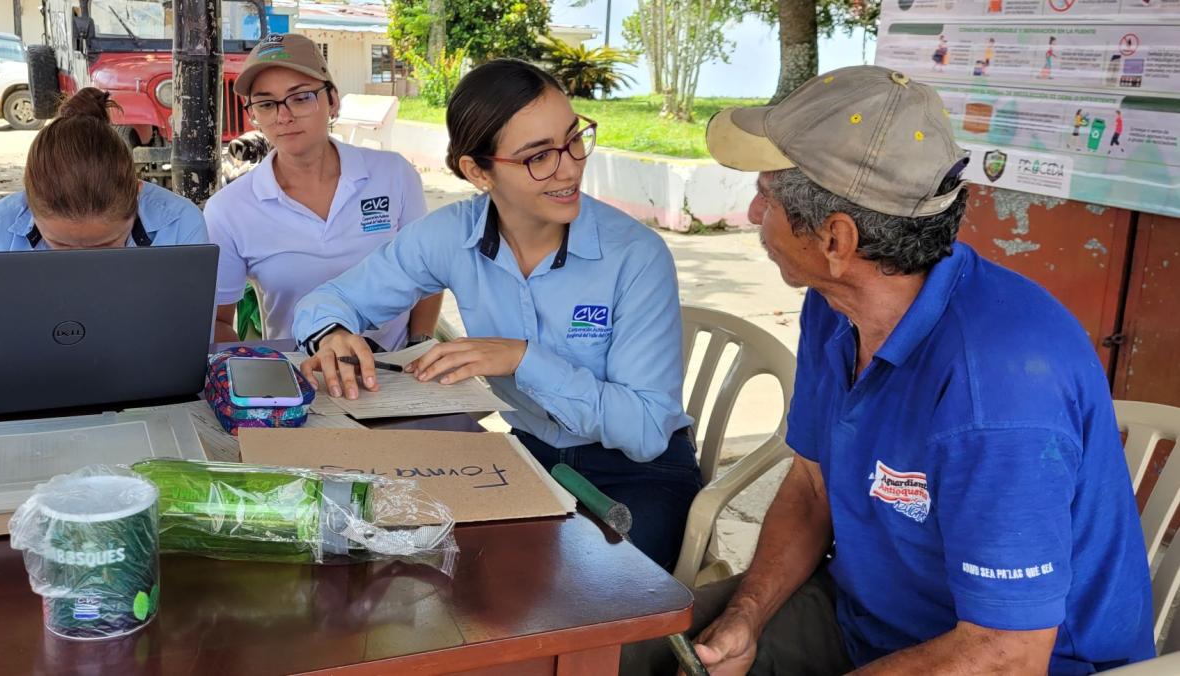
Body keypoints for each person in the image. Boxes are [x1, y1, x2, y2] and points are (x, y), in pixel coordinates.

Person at [626, 66, 1153, 674]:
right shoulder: (834, 308)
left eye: (765, 197)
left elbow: (1006, 652)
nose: (750, 214)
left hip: (1012, 661)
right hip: (864, 620)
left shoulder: (998, 392)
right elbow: (812, 486)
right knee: (632, 651)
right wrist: (748, 613)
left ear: (836, 240)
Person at [291, 59, 701, 570]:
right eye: (538, 156)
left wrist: (522, 358)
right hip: (526, 456)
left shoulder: (635, 255)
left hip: (637, 473)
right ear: (477, 171)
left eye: (574, 139)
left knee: (602, 599)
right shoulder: (451, 236)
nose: (569, 167)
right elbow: (327, 301)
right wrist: (331, 334)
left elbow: (644, 429)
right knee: (419, 569)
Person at [0, 87, 208, 360]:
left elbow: (191, 345)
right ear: (28, 204)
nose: (82, 266)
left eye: (105, 246)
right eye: (61, 245)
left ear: (137, 196)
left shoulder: (178, 225)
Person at [203, 33, 440, 348]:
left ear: (333, 101)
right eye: (266, 103)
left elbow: (427, 274)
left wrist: (419, 347)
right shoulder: (229, 209)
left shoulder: (393, 174)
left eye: (300, 97)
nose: (283, 116)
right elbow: (218, 321)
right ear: (254, 115)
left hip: (394, 371)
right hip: (297, 378)